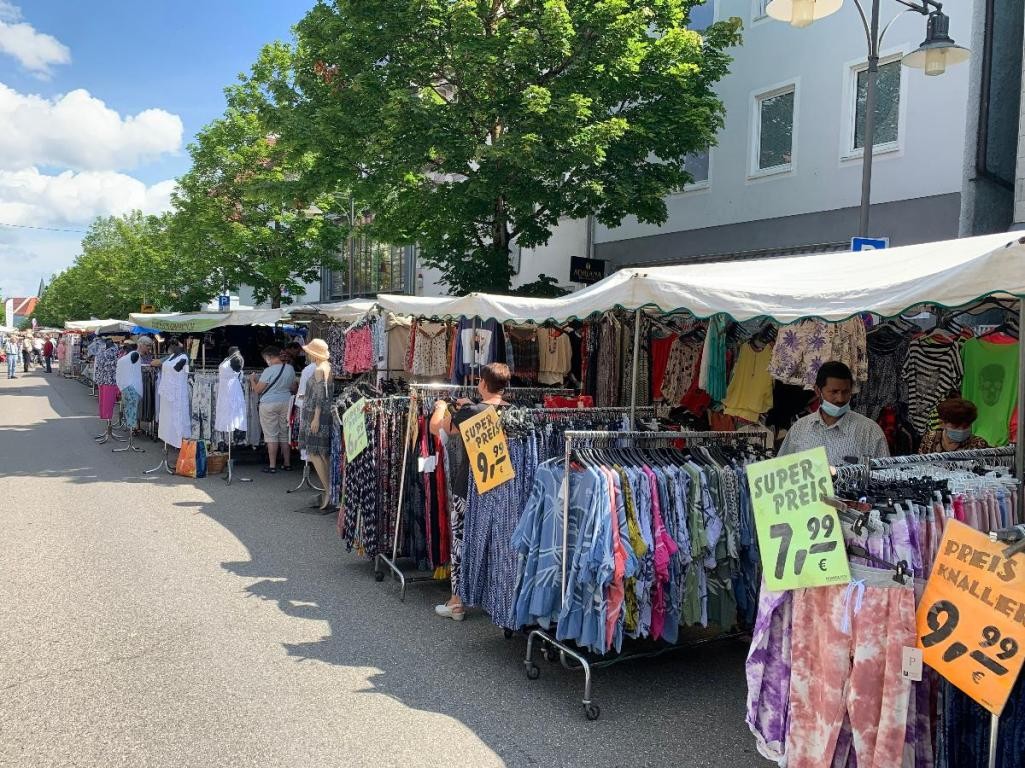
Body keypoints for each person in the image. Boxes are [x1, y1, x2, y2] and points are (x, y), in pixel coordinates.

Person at [429, 362, 512, 621]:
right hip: (501, 487)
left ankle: (457, 602)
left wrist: (442, 407)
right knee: (495, 544)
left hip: (470, 486)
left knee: (461, 542)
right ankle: (494, 599)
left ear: (484, 384)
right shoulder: (513, 412)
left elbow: (438, 428)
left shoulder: (473, 411)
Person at [778, 361, 889, 465]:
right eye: (834, 392)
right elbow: (781, 471)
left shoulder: (870, 432)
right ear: (818, 391)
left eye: (845, 392)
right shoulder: (799, 429)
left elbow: (884, 478)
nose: (840, 399)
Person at [250, 345, 296, 473]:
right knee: (284, 434)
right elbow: (293, 388)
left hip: (269, 404)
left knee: (271, 435)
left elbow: (258, 390)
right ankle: (287, 463)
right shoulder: (290, 369)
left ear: (268, 357)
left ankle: (272, 466)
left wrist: (252, 380)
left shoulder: (268, 371)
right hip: (286, 402)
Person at [918, 397, 990, 454]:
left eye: (966, 426)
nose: (961, 430)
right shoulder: (930, 439)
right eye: (955, 427)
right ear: (942, 423)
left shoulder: (979, 445)